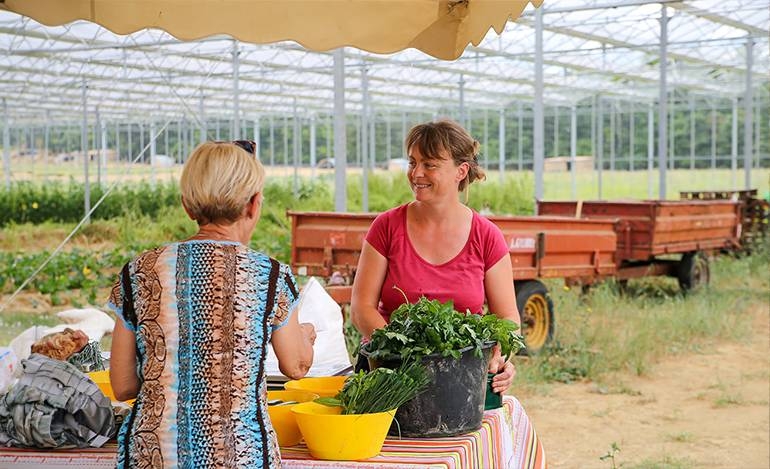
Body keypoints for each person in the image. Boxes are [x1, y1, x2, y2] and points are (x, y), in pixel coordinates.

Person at [108, 141, 316, 469]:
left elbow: (122, 386)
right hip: (241, 457)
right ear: (254, 204)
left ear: (187, 206)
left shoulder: (139, 271)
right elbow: (297, 366)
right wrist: (306, 334)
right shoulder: (270, 276)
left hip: (154, 457)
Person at [350, 120, 520, 394]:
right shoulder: (386, 227)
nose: (416, 173)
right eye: (412, 162)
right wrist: (404, 355)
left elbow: (508, 317)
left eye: (429, 164)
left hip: (461, 379)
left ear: (460, 171)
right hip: (388, 376)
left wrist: (500, 356)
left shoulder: (487, 236)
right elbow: (361, 309)